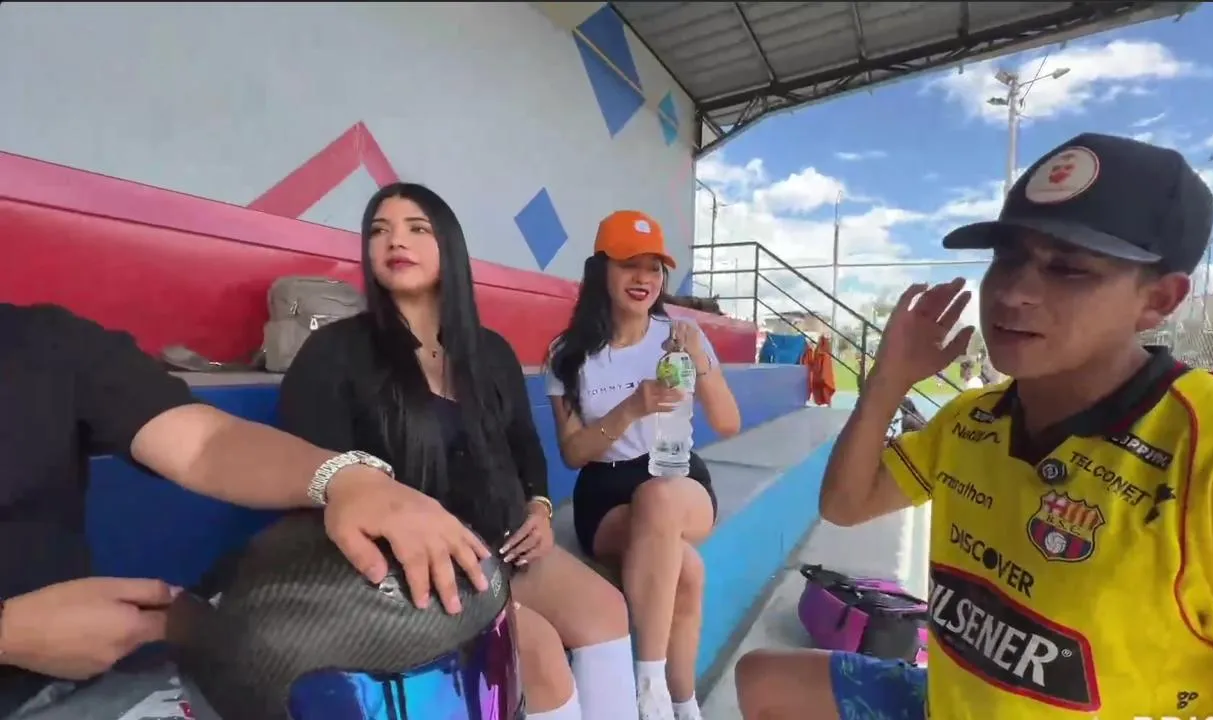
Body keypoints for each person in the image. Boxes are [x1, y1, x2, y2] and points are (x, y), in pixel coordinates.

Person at [734, 133, 1213, 719]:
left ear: (1160, 300)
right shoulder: (973, 418)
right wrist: (889, 379)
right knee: (765, 680)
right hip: (946, 703)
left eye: (1068, 269)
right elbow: (846, 505)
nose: (1015, 293)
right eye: (1008, 257)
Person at [0, 309, 493, 716]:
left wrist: (349, 479)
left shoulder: (40, 342)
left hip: (74, 685)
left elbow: (204, 444)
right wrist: (9, 634)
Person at [277, 183, 638, 720]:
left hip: (501, 547)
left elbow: (526, 449)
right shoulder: (334, 352)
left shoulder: (491, 352)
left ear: (449, 245)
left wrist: (539, 510)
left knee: (605, 609)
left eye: (417, 228)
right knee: (534, 649)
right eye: (380, 230)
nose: (395, 240)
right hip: (409, 567)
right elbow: (313, 479)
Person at [546, 210, 742, 720]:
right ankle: (684, 704)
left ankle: (648, 686)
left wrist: (700, 359)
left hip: (677, 474)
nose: (643, 279)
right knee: (688, 571)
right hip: (606, 489)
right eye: (629, 264)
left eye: (654, 268)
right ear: (600, 270)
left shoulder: (681, 335)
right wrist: (632, 407)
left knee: (659, 497)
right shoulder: (567, 354)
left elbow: (728, 423)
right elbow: (572, 454)